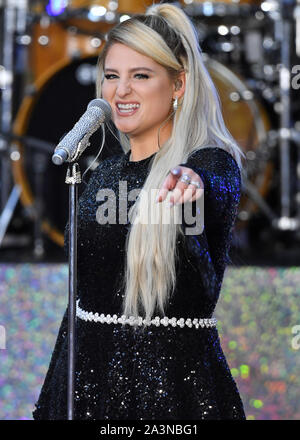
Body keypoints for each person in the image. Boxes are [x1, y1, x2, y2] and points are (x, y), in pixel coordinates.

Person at [32, 3, 246, 420]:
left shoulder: (210, 164)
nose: (120, 91)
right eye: (112, 76)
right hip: (83, 382)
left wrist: (191, 182)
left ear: (178, 84)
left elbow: (210, 183)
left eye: (140, 76)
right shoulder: (103, 172)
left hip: (173, 392)